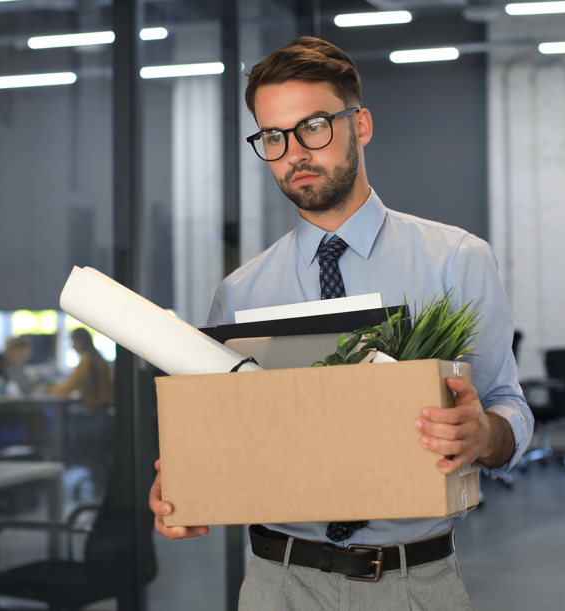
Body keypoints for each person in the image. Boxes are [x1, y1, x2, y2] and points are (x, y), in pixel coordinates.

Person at [148, 37, 533, 610]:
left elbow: (508, 403)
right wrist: (185, 483)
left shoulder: (456, 259)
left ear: (362, 125)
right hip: (275, 585)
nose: (295, 152)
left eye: (315, 127)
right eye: (273, 137)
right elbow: (227, 435)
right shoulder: (240, 293)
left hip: (413, 584)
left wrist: (483, 435)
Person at [49, 327, 114, 408]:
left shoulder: (86, 360)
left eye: (74, 342)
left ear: (81, 342)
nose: (72, 346)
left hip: (97, 409)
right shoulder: (97, 357)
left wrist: (48, 389)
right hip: (105, 407)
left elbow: (66, 389)